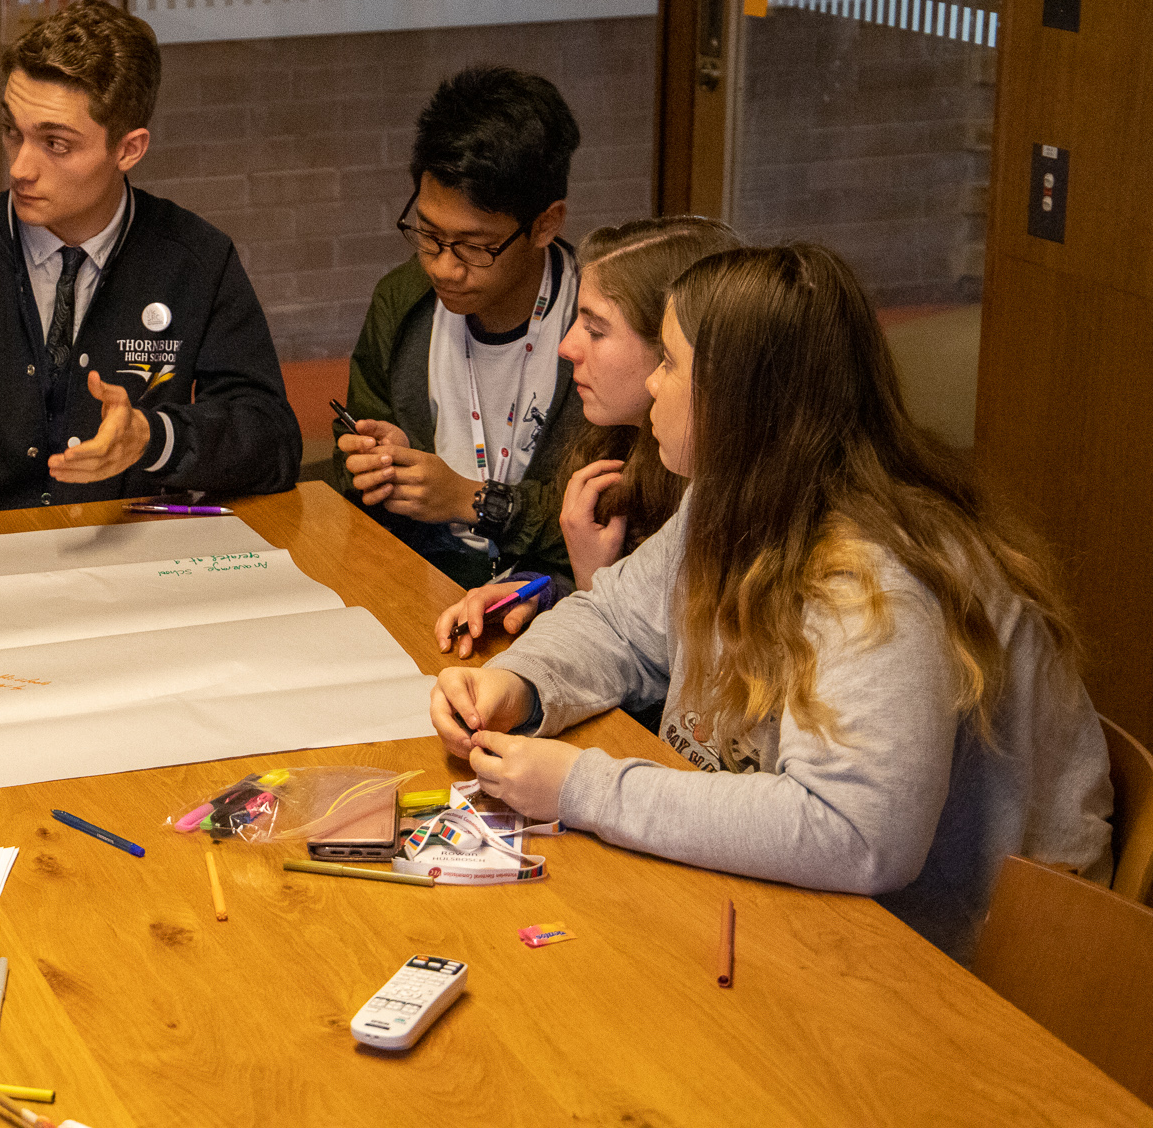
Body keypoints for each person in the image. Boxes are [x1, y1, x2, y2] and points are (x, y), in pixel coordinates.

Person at [429, 245, 1112, 961]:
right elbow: (616, 621)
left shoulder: (876, 577)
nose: (653, 385)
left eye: (668, 363)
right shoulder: (730, 494)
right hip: (802, 909)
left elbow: (855, 833)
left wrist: (585, 788)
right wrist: (522, 683)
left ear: (741, 400)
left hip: (975, 960)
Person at [0, 0, 300, 543]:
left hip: (130, 565)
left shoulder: (196, 262)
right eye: (12, 132)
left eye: (56, 144)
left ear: (129, 149)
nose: (21, 167)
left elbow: (272, 440)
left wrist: (152, 437)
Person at [434, 215, 739, 656]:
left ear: (675, 344)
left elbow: (678, 685)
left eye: (595, 330)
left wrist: (593, 585)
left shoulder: (717, 496)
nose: (567, 347)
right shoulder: (618, 442)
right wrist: (539, 592)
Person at [334, 65, 588, 591]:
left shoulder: (598, 324)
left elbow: (627, 519)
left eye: (475, 246)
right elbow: (351, 456)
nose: (444, 267)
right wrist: (380, 466)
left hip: (555, 602)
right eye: (428, 234)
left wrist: (473, 502)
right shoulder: (403, 302)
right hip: (419, 582)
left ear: (546, 223)